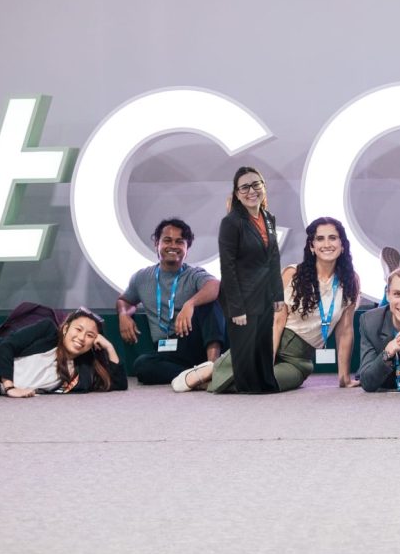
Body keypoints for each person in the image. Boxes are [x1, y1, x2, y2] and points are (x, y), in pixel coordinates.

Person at [174, 217, 362, 393]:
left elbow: (345, 330)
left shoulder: (351, 281)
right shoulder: (293, 274)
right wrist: (267, 362)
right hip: (267, 341)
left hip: (299, 360)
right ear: (312, 246)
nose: (327, 244)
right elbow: (277, 321)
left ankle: (212, 378)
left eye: (333, 238)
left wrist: (344, 378)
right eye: (320, 239)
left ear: (342, 245)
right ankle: (214, 369)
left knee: (264, 385)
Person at [116, 218, 225, 385]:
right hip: (166, 350)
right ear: (157, 244)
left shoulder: (194, 274)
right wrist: (123, 315)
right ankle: (197, 375)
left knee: (210, 303)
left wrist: (190, 304)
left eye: (179, 242)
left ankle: (212, 366)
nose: (173, 246)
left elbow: (214, 285)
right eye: (167, 240)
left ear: (187, 249)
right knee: (142, 366)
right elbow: (125, 300)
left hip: (191, 340)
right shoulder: (142, 277)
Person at [0, 308, 126, 397]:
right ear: (65, 328)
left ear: (93, 343)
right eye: (78, 330)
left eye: (89, 335)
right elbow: (7, 346)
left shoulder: (83, 373)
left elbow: (119, 383)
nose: (81, 338)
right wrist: (10, 387)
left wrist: (109, 347)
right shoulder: (47, 330)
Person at [217, 166, 284, 393]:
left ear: (263, 187)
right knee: (245, 351)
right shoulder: (231, 223)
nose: (251, 191)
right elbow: (227, 266)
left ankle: (266, 387)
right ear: (236, 193)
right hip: (241, 298)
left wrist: (278, 295)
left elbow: (273, 258)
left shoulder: (269, 218)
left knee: (263, 346)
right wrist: (236, 308)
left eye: (256, 184)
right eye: (244, 187)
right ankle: (246, 392)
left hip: (265, 295)